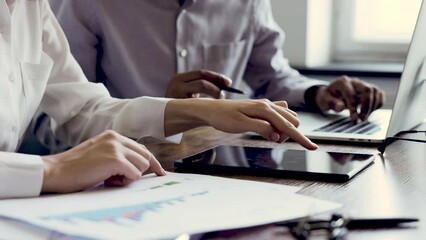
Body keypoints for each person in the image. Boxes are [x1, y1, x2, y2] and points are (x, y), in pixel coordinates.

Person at [0, 0, 318, 199]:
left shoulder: (33, 6)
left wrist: (199, 111)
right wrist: (52, 169)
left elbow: (81, 109)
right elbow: (52, 133)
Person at [50, 0, 384, 121]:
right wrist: (164, 110)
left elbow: (272, 75)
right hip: (133, 159)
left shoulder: (247, 3)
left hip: (228, 159)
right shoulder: (88, 3)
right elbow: (71, 108)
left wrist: (317, 93)